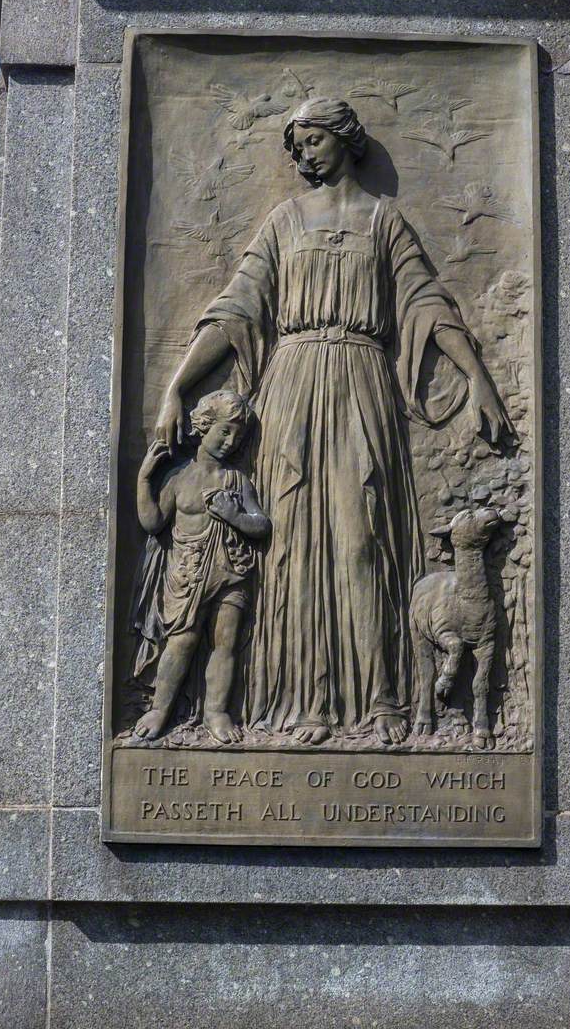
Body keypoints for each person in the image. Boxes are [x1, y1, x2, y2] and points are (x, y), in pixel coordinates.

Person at [155, 96, 512, 746]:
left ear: (346, 139)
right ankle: (308, 706)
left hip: (361, 381)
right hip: (292, 386)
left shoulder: (384, 223)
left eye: (313, 139)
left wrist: (478, 379)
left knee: (360, 542)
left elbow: (428, 306)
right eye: (296, 144)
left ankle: (383, 705)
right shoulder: (283, 222)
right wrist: (177, 389)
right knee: (291, 545)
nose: (302, 153)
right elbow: (234, 310)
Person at [131, 389, 270, 744]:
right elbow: (153, 522)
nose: (230, 441)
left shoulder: (238, 481)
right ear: (203, 426)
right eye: (224, 431)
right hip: (188, 575)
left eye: (238, 435)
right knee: (183, 643)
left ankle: (217, 712)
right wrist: (144, 480)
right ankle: (160, 709)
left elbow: (261, 525)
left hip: (231, 572)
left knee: (226, 643)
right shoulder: (179, 478)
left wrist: (234, 514)